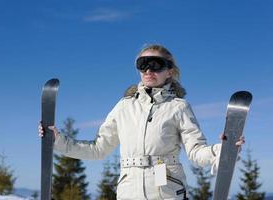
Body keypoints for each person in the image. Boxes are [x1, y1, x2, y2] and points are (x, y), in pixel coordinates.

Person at [38, 44, 245, 200]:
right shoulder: (124, 106)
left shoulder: (178, 107)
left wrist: (222, 151)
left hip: (167, 192)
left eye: (156, 65)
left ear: (169, 71)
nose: (148, 71)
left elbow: (196, 152)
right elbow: (98, 149)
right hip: (129, 192)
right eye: (143, 65)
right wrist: (58, 141)